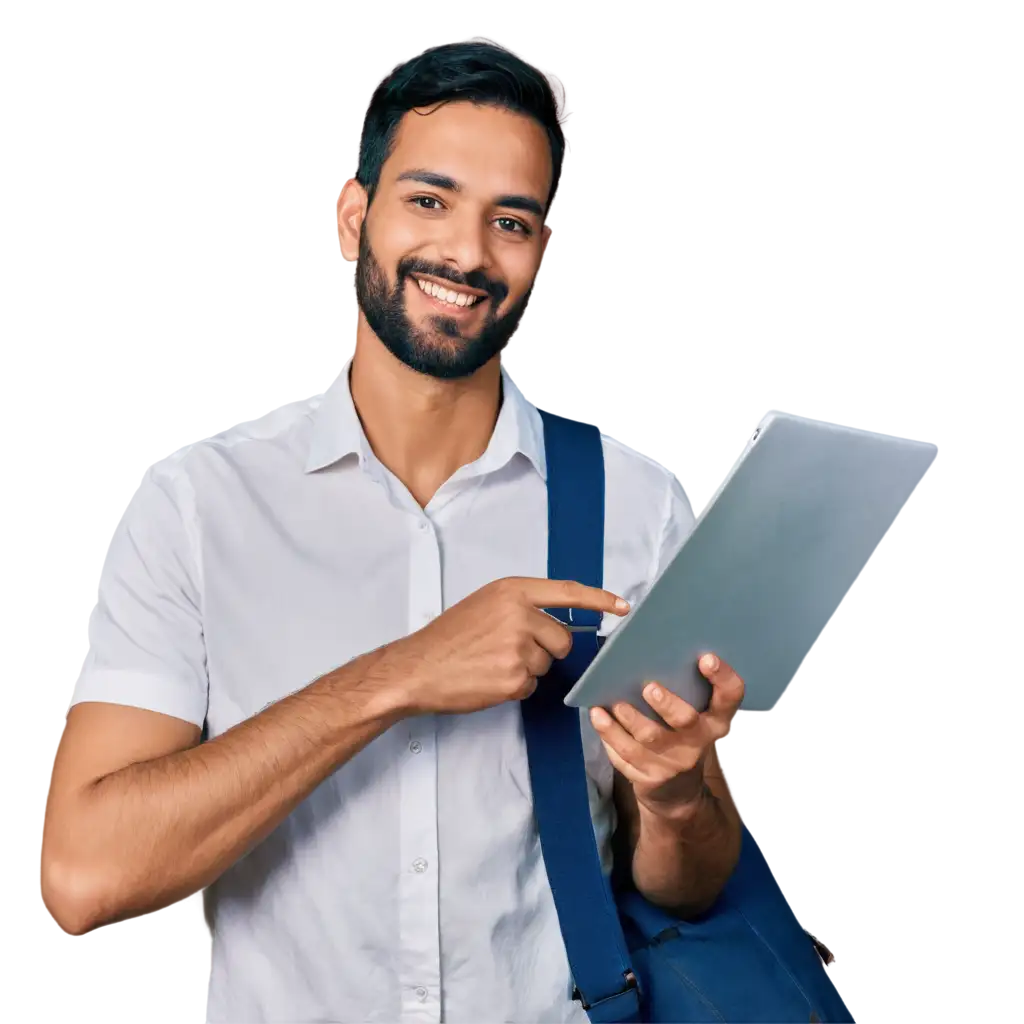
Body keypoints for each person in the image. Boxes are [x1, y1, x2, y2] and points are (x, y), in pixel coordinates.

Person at [41, 41, 745, 1024]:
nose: (466, 252)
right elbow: (86, 873)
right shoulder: (199, 505)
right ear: (350, 219)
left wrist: (675, 801)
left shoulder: (636, 506)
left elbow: (687, 884)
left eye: (511, 221)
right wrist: (402, 673)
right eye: (428, 200)